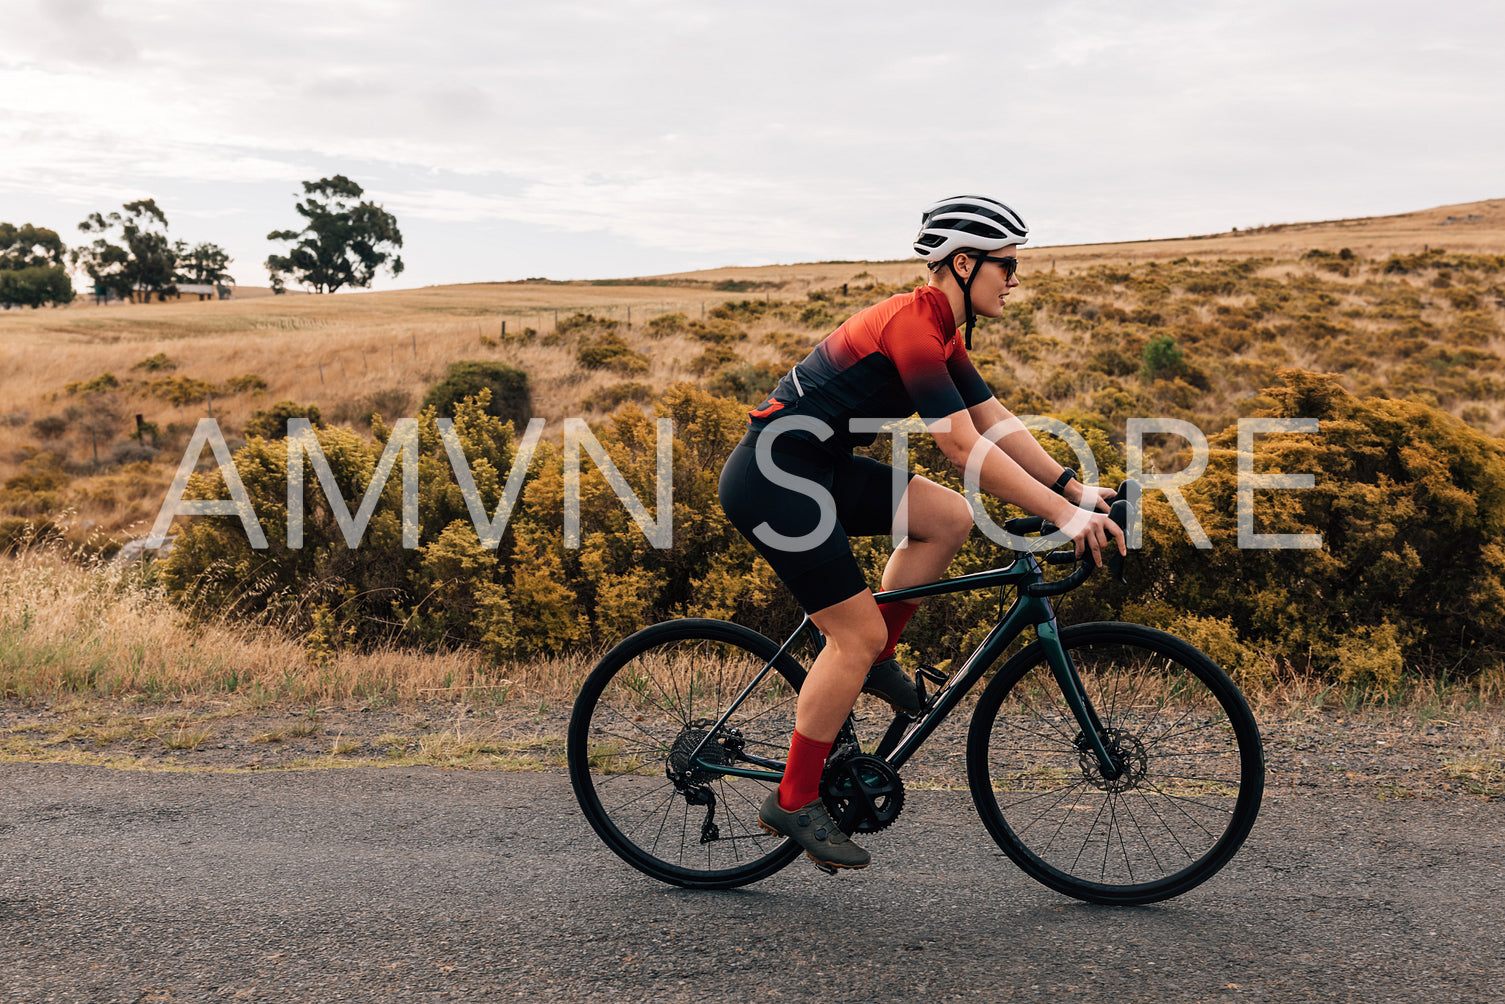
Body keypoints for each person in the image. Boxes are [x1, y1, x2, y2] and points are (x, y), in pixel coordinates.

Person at [717, 195, 1125, 870]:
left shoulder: (939, 328)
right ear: (963, 264)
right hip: (773, 476)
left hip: (814, 468)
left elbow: (994, 420)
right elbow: (964, 450)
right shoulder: (912, 326)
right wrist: (1061, 519)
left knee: (947, 519)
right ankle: (792, 798)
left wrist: (1072, 491)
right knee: (853, 633)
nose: (1014, 278)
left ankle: (875, 665)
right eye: (1006, 264)